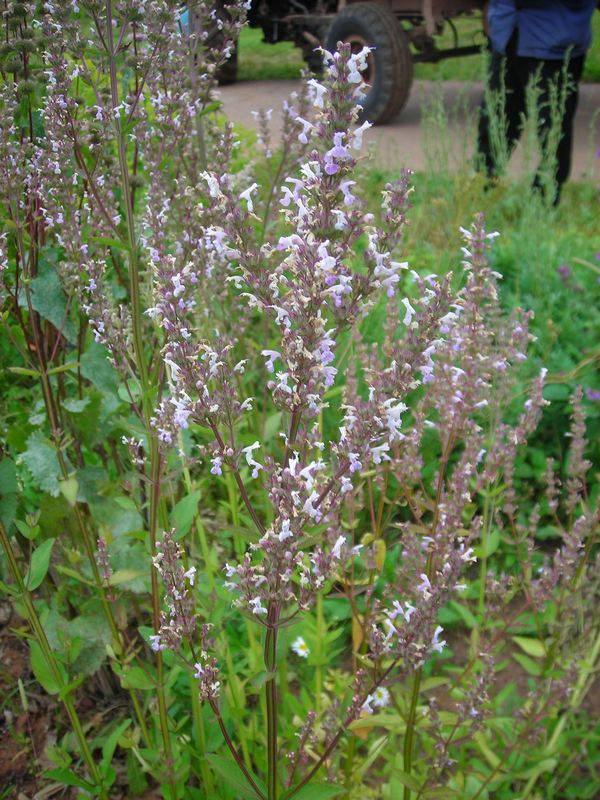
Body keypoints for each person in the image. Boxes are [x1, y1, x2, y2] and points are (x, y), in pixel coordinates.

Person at [477, 0, 597, 203]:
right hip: (508, 35)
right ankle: (481, 194)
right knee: (496, 122)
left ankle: (543, 204)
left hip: (553, 43)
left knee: (553, 130)